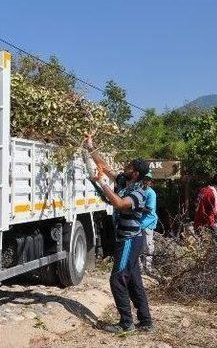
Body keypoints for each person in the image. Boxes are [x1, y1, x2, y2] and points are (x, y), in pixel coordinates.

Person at [85, 137, 153, 333]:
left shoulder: (141, 192)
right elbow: (104, 167)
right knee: (134, 280)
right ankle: (146, 321)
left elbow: (120, 204)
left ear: (136, 173)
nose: (126, 167)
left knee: (117, 279)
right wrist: (90, 147)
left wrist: (102, 184)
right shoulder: (124, 180)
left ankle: (126, 324)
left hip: (130, 240)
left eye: (129, 166)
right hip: (127, 238)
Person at [140, 172, 158, 275]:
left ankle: (148, 268)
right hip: (139, 223)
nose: (146, 181)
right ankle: (140, 269)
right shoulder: (140, 191)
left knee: (148, 246)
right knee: (139, 247)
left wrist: (135, 208)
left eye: (148, 179)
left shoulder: (151, 193)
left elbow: (149, 209)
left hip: (148, 223)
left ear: (150, 182)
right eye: (145, 179)